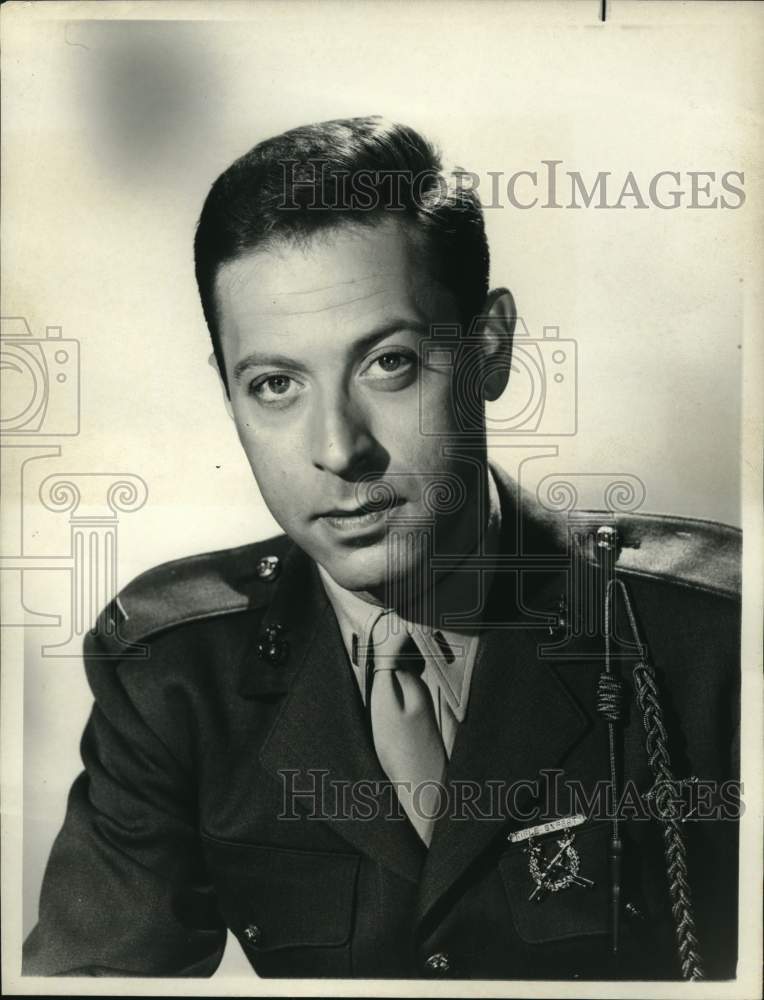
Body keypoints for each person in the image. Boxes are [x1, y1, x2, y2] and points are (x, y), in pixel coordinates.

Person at [23, 117, 741, 981]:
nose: (338, 448)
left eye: (389, 364)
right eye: (276, 385)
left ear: (491, 347)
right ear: (228, 392)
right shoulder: (177, 675)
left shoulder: (709, 640)